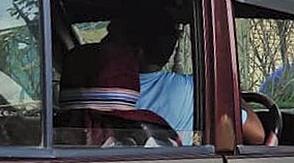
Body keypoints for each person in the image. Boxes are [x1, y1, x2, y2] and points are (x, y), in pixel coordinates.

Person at [114, 12, 266, 145]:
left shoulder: (101, 88)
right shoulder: (198, 88)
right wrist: (234, 95)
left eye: (110, 36)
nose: (104, 43)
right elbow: (257, 135)